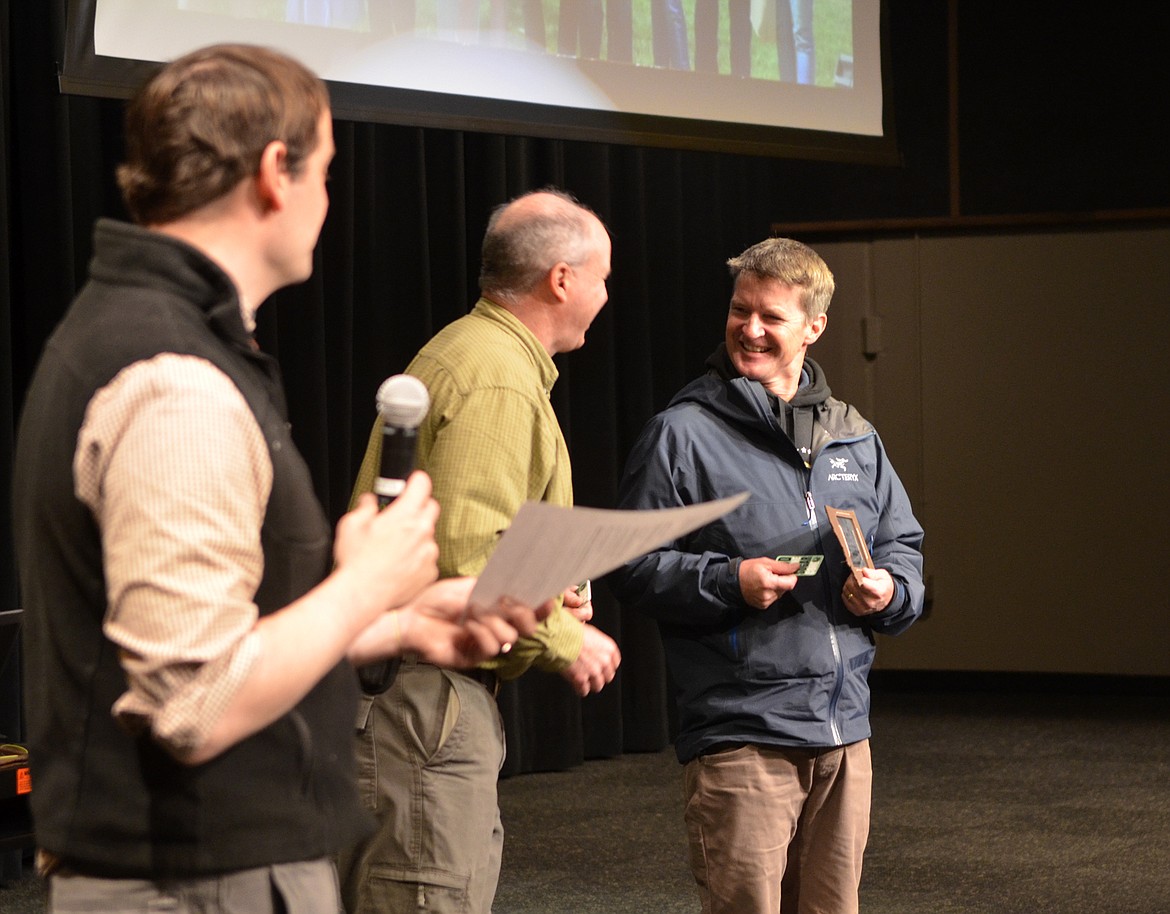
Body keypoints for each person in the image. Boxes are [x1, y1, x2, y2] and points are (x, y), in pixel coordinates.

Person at [11, 44, 543, 913]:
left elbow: (229, 634)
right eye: (325, 174)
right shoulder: (174, 381)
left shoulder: (154, 338)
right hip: (196, 880)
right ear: (273, 174)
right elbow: (195, 701)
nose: (328, 202)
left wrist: (393, 621)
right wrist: (365, 583)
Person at [608, 237, 925, 914]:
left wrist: (892, 591)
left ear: (813, 328)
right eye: (739, 310)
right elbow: (631, 565)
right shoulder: (682, 433)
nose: (749, 329)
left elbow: (903, 544)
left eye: (770, 317)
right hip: (742, 733)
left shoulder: (854, 435)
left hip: (843, 733)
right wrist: (730, 580)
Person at [338, 188, 622, 914]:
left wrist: (554, 584)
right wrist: (567, 638)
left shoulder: (478, 351)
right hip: (425, 701)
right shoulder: (497, 373)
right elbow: (471, 561)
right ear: (562, 279)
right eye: (603, 278)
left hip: (411, 698)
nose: (605, 295)